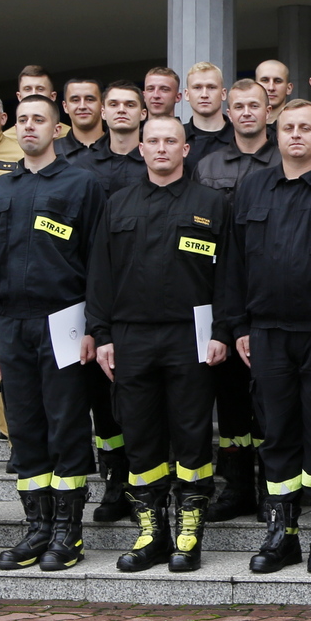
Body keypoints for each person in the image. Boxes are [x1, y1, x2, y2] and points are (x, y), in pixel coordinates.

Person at [222, 99, 311, 574]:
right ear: (275, 134)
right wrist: (239, 326)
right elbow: (233, 264)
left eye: (307, 128)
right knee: (277, 431)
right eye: (288, 128)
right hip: (266, 333)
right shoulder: (251, 187)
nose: (297, 135)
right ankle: (281, 533)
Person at [86, 113, 232, 573]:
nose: (162, 148)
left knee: (191, 435)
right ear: (141, 149)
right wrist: (103, 334)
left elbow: (229, 274)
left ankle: (190, 531)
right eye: (154, 141)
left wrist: (224, 331)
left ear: (186, 149)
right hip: (130, 336)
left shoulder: (212, 203)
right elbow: (100, 275)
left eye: (171, 141)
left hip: (191, 336)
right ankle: (151, 531)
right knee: (141, 437)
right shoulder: (118, 205)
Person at [0, 94, 106, 571]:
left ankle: (69, 535)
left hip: (63, 320)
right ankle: (37, 529)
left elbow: (98, 262)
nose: (30, 126)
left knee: (66, 424)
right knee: (26, 429)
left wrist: (95, 326)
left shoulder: (82, 185)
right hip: (11, 324)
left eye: (40, 119)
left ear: (58, 128)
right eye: (24, 119)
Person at [195, 80, 278, 524]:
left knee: (271, 402)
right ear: (228, 113)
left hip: (271, 297)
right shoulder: (207, 165)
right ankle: (237, 487)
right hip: (221, 295)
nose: (247, 113)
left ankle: (274, 489)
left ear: (271, 111)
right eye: (239, 106)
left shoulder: (285, 160)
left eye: (255, 106)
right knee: (229, 405)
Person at [71, 80, 148, 520]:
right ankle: (115, 482)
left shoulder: (158, 159)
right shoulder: (80, 166)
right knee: (104, 400)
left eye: (129, 105)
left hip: (146, 301)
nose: (120, 111)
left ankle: (148, 483)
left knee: (145, 401)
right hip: (95, 296)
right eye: (113, 104)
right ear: (102, 111)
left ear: (142, 113)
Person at [183, 62, 232, 168]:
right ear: (187, 94)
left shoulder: (239, 138)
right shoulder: (177, 137)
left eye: (211, 87)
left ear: (223, 94)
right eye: (197, 87)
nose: (204, 95)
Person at [54, 78, 104, 161]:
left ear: (102, 105)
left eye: (89, 99)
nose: (82, 106)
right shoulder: (51, 152)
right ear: (65, 106)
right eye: (75, 100)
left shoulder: (119, 147)